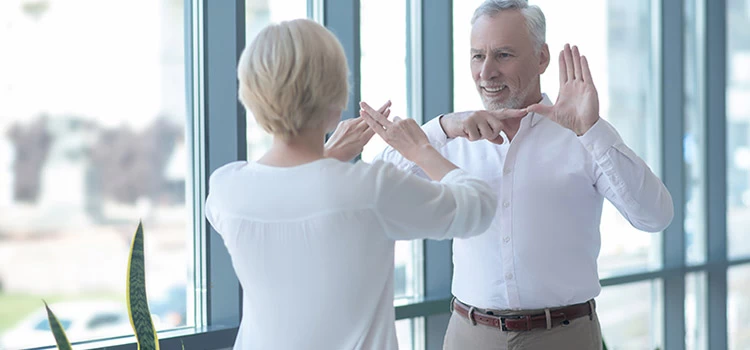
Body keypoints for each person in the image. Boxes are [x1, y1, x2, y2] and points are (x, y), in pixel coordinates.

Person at [362, 1, 674, 349]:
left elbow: (655, 216)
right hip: (470, 335)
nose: (486, 72)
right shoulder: (452, 139)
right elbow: (369, 192)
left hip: (565, 336)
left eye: (503, 55)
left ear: (541, 58)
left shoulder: (584, 136)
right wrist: (442, 128)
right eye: (477, 56)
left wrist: (593, 132)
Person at [204, 18, 505, 350]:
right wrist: (421, 150)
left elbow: (289, 191)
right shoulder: (370, 189)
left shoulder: (225, 190)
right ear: (336, 101)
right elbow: (478, 205)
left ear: (250, 95)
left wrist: (329, 154)